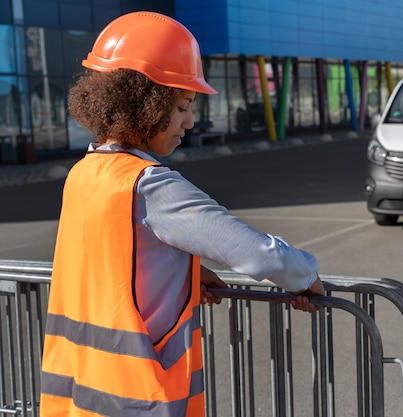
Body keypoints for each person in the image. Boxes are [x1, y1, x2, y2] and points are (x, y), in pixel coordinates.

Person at [39, 11, 324, 417]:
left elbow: (116, 266)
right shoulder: (150, 185)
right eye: (183, 106)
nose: (190, 121)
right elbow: (260, 254)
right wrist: (307, 276)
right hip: (137, 398)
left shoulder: (83, 174)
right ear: (145, 105)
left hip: (80, 394)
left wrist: (184, 274)